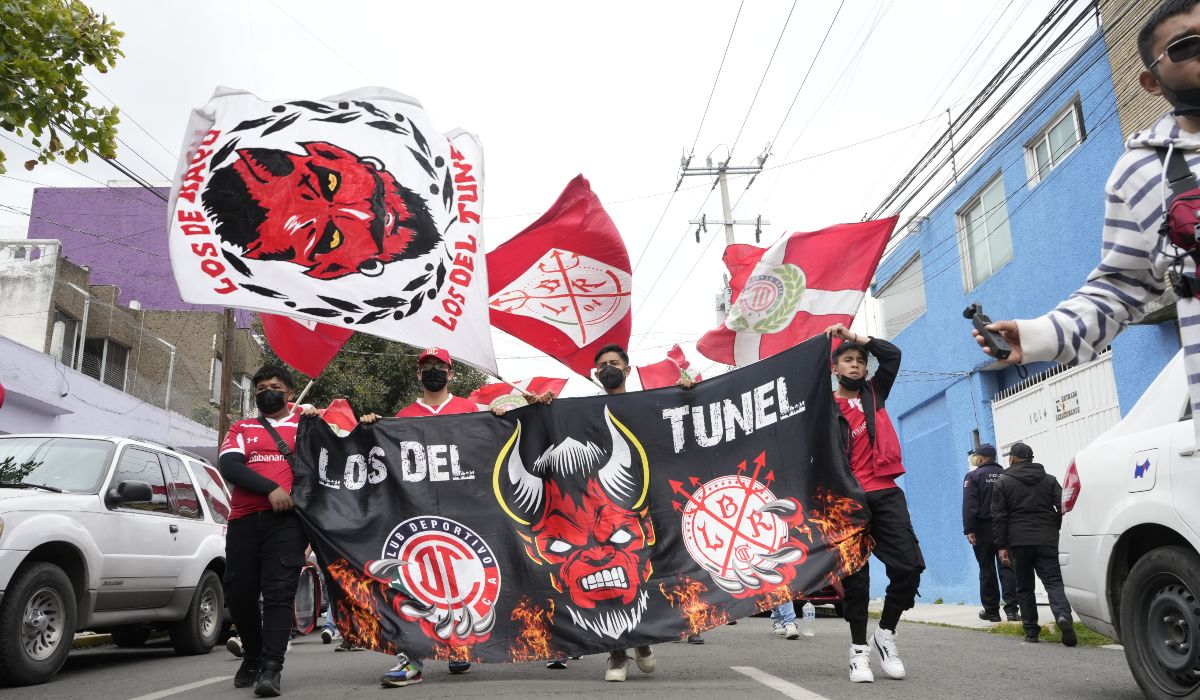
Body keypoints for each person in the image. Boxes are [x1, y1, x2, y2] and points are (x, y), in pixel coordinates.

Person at [972, 0, 1200, 438]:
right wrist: (1039, 336)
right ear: (1151, 81)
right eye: (1186, 45)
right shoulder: (1141, 171)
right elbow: (1122, 286)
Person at [360, 347, 552, 687]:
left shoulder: (472, 409)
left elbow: (512, 422)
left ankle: (457, 648)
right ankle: (411, 658)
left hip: (466, 511)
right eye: (427, 367)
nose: (433, 371)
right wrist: (371, 427)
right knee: (415, 583)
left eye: (440, 366)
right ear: (419, 375)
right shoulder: (402, 416)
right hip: (416, 513)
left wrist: (515, 408)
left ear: (451, 374)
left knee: (463, 582)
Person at [825, 323, 924, 684]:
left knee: (909, 567)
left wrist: (855, 338)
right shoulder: (822, 408)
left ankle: (885, 634)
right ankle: (858, 654)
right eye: (847, 360)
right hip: (847, 501)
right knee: (857, 582)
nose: (855, 365)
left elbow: (893, 355)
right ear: (834, 368)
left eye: (860, 361)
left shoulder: (874, 393)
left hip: (884, 492)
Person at [593, 343, 697, 681]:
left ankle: (644, 639)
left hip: (652, 505)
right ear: (596, 375)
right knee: (610, 579)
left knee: (648, 573)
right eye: (602, 365)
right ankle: (617, 655)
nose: (608, 368)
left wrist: (687, 394)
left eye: (614, 363)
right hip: (606, 512)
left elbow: (680, 428)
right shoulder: (584, 410)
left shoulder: (650, 404)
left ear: (626, 370)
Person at [219, 365, 319, 697]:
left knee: (278, 593)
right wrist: (270, 489)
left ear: (289, 393)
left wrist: (318, 419)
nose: (266, 391)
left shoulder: (306, 424)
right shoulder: (241, 427)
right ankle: (253, 652)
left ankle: (271, 668)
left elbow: (334, 458)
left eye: (274, 386)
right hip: (244, 520)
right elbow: (230, 465)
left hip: (289, 524)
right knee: (239, 594)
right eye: (260, 387)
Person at [991, 442, 1077, 647]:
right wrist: (1053, 524)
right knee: (1054, 582)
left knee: (1024, 586)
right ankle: (1063, 617)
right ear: (1031, 458)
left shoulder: (1003, 482)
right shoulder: (1049, 480)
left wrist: (1001, 545)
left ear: (1012, 458)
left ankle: (1031, 631)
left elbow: (999, 516)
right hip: (1046, 539)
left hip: (1018, 542)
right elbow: (1063, 504)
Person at [962, 444, 1020, 623]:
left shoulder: (973, 476)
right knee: (1008, 566)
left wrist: (969, 529)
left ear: (980, 458)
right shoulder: (1007, 475)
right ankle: (1012, 610)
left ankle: (992, 611)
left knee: (986, 569)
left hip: (983, 528)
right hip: (1005, 527)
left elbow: (970, 504)